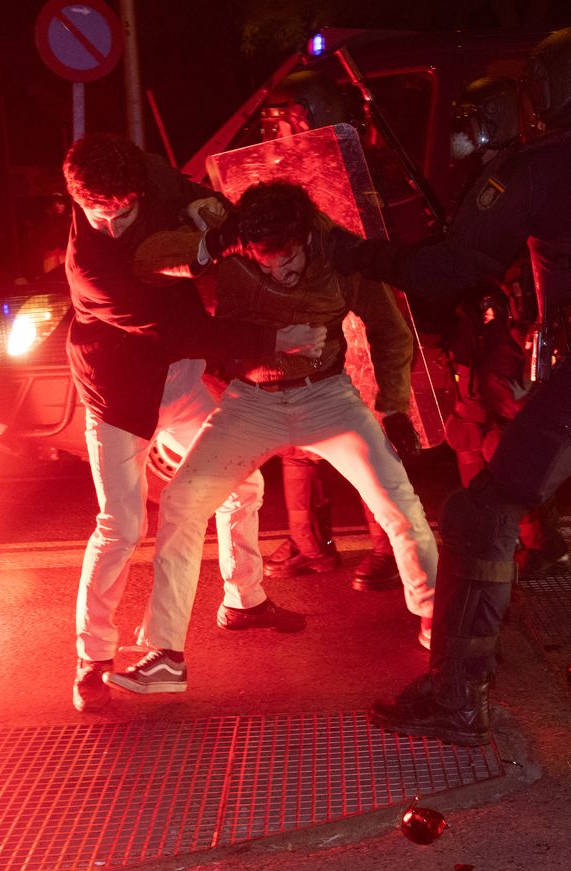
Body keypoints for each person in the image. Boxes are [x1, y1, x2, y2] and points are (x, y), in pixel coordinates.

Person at [341, 26, 571, 746]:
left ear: (547, 92)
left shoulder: (549, 160)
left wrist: (352, 250)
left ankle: (455, 696)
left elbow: (447, 267)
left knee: (481, 514)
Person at [108, 179, 437, 694]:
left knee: (399, 503)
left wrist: (394, 408)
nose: (277, 274)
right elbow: (146, 263)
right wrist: (214, 243)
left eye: (287, 263)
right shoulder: (232, 243)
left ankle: (438, 621)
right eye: (265, 265)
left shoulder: (340, 254)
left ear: (305, 237)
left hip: (325, 395)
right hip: (251, 400)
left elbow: (390, 331)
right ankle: (165, 654)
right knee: (180, 504)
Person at [61, 134, 324, 712]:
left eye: (123, 212)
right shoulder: (92, 268)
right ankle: (93, 657)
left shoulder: (151, 172)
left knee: (244, 483)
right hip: (118, 395)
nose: (111, 225)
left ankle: (244, 600)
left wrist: (214, 214)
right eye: (97, 215)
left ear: (139, 185)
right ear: (77, 199)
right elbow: (186, 331)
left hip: (175, 376)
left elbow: (194, 198)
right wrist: (274, 341)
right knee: (121, 526)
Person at [254, 70, 404, 595]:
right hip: (303, 310)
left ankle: (387, 546)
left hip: (358, 300)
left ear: (310, 118)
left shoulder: (363, 169)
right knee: (296, 433)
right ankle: (310, 544)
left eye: (284, 119)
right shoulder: (272, 175)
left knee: (370, 432)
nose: (273, 130)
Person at [441, 76, 571, 585]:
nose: (460, 130)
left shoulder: (526, 171)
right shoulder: (483, 174)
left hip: (514, 323)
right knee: (468, 429)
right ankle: (486, 540)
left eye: (472, 117)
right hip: (478, 321)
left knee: (512, 438)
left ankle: (544, 542)